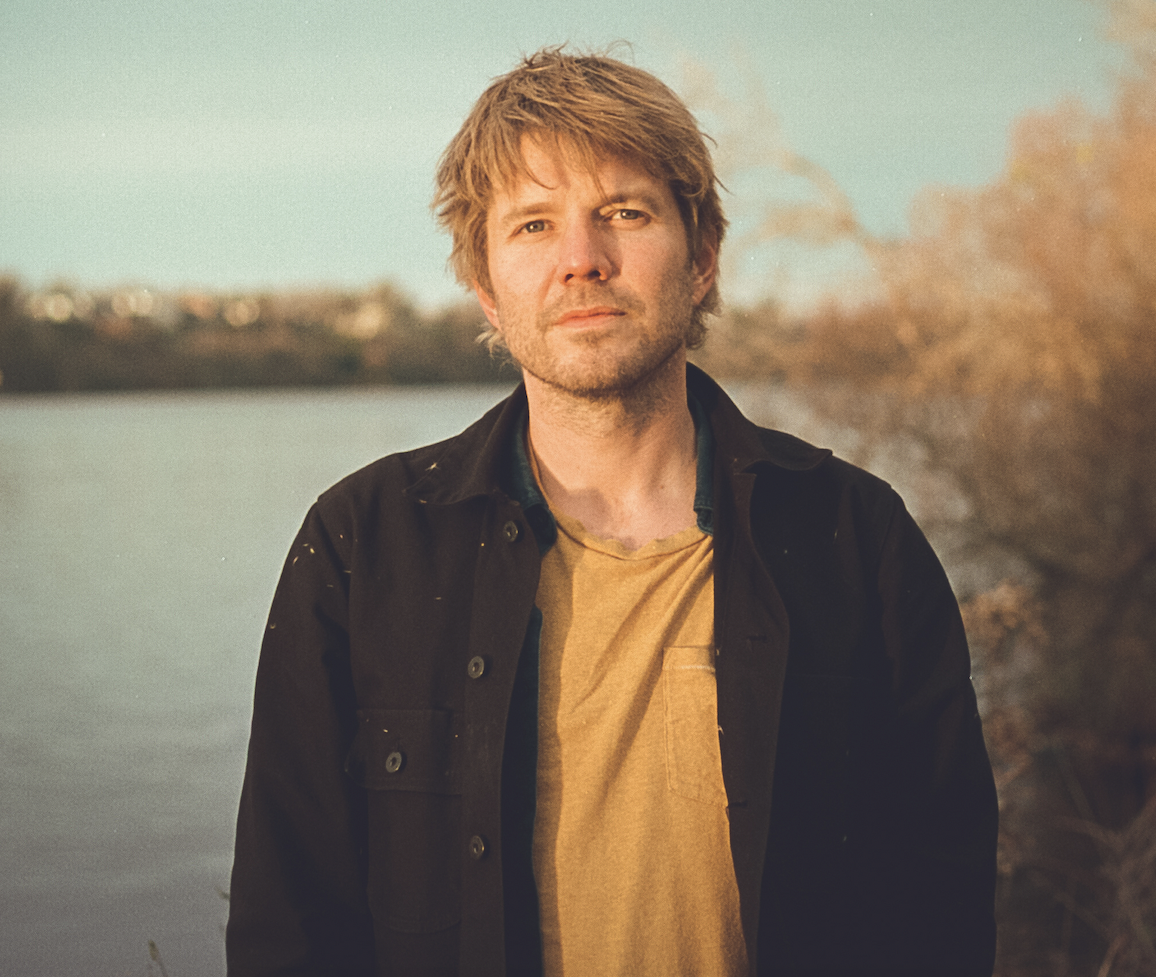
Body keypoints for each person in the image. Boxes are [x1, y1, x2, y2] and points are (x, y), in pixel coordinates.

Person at [227, 48, 998, 977]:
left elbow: (940, 903)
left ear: (702, 256)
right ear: (486, 287)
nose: (581, 260)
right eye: (533, 225)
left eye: (624, 213)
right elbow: (289, 922)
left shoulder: (856, 539)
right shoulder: (363, 547)